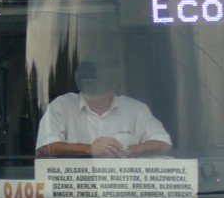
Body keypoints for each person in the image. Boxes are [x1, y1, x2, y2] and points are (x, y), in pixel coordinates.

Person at [36, 59, 173, 158]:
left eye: (99, 75)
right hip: (74, 186)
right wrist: (90, 149)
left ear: (114, 81)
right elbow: (45, 148)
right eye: (88, 75)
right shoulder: (62, 104)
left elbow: (163, 143)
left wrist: (127, 150)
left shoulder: (135, 109)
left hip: (124, 187)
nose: (93, 81)